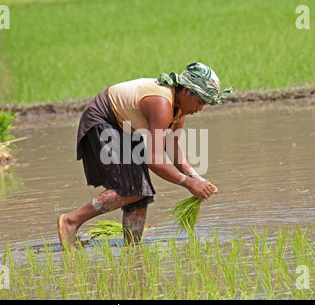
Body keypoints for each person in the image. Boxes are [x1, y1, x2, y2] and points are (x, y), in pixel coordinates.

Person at [57, 62, 232, 246]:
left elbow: (172, 144)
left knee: (141, 190)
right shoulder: (162, 103)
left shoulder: (179, 109)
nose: (200, 109)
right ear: (187, 91)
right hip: (103, 120)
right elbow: (153, 160)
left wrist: (197, 178)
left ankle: (133, 250)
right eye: (200, 102)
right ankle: (71, 221)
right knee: (133, 188)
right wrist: (189, 184)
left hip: (124, 127)